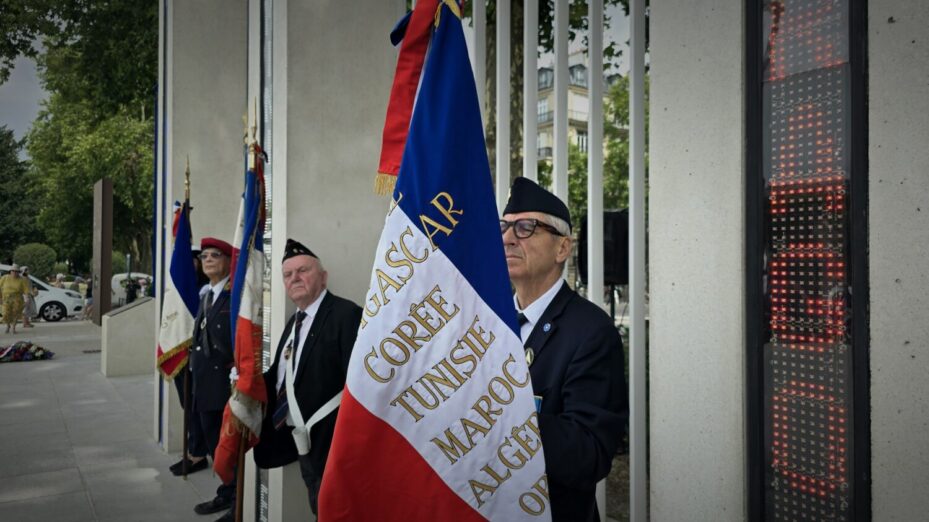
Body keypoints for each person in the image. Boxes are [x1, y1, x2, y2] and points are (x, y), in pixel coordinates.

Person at [500, 177, 628, 521]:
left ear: (562, 248)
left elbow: (589, 453)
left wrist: (498, 414)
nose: (508, 238)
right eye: (505, 227)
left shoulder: (591, 332)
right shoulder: (488, 321)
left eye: (526, 227)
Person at [253, 239, 362, 515]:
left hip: (333, 443)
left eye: (303, 270)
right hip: (302, 441)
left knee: (337, 510)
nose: (294, 278)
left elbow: (360, 386)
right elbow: (282, 375)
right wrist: (248, 383)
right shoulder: (295, 321)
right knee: (319, 505)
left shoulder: (346, 315)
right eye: (288, 274)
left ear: (323, 277)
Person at [189, 237, 236, 522]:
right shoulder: (207, 294)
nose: (207, 259)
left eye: (215, 255)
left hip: (224, 384)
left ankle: (235, 500)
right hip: (204, 383)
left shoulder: (235, 295)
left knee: (228, 447)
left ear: (229, 261)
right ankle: (227, 491)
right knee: (213, 443)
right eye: (204, 256)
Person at [1, 264, 30, 334]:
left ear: (18, 272)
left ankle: (13, 328)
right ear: (10, 271)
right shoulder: (5, 278)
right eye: (13, 271)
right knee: (5, 313)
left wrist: (27, 298)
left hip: (17, 299)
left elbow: (26, 290)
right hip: (6, 298)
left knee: (15, 313)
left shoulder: (22, 280)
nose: (14, 272)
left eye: (16, 271)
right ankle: (8, 325)